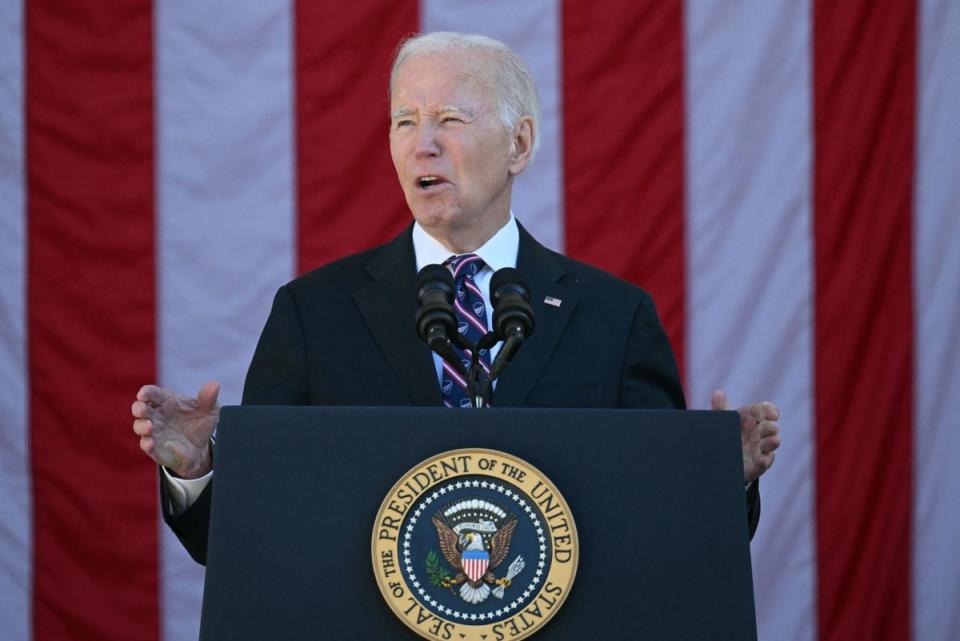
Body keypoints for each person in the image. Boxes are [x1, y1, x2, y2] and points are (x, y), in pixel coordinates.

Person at [132, 32, 781, 565]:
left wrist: (720, 480)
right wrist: (200, 473)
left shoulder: (613, 318)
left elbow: (663, 532)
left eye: (450, 119)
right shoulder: (313, 314)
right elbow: (250, 539)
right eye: (405, 121)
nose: (423, 144)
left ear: (519, 145)